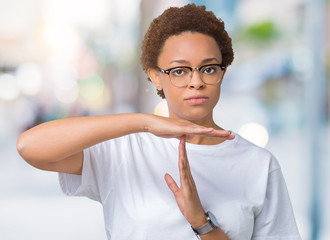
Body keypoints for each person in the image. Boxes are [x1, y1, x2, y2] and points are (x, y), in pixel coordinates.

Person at [17, 4, 301, 240]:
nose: (196, 82)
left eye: (209, 69)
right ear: (155, 76)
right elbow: (30, 146)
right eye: (179, 71)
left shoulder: (259, 165)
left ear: (223, 73)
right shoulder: (123, 150)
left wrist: (202, 223)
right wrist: (145, 123)